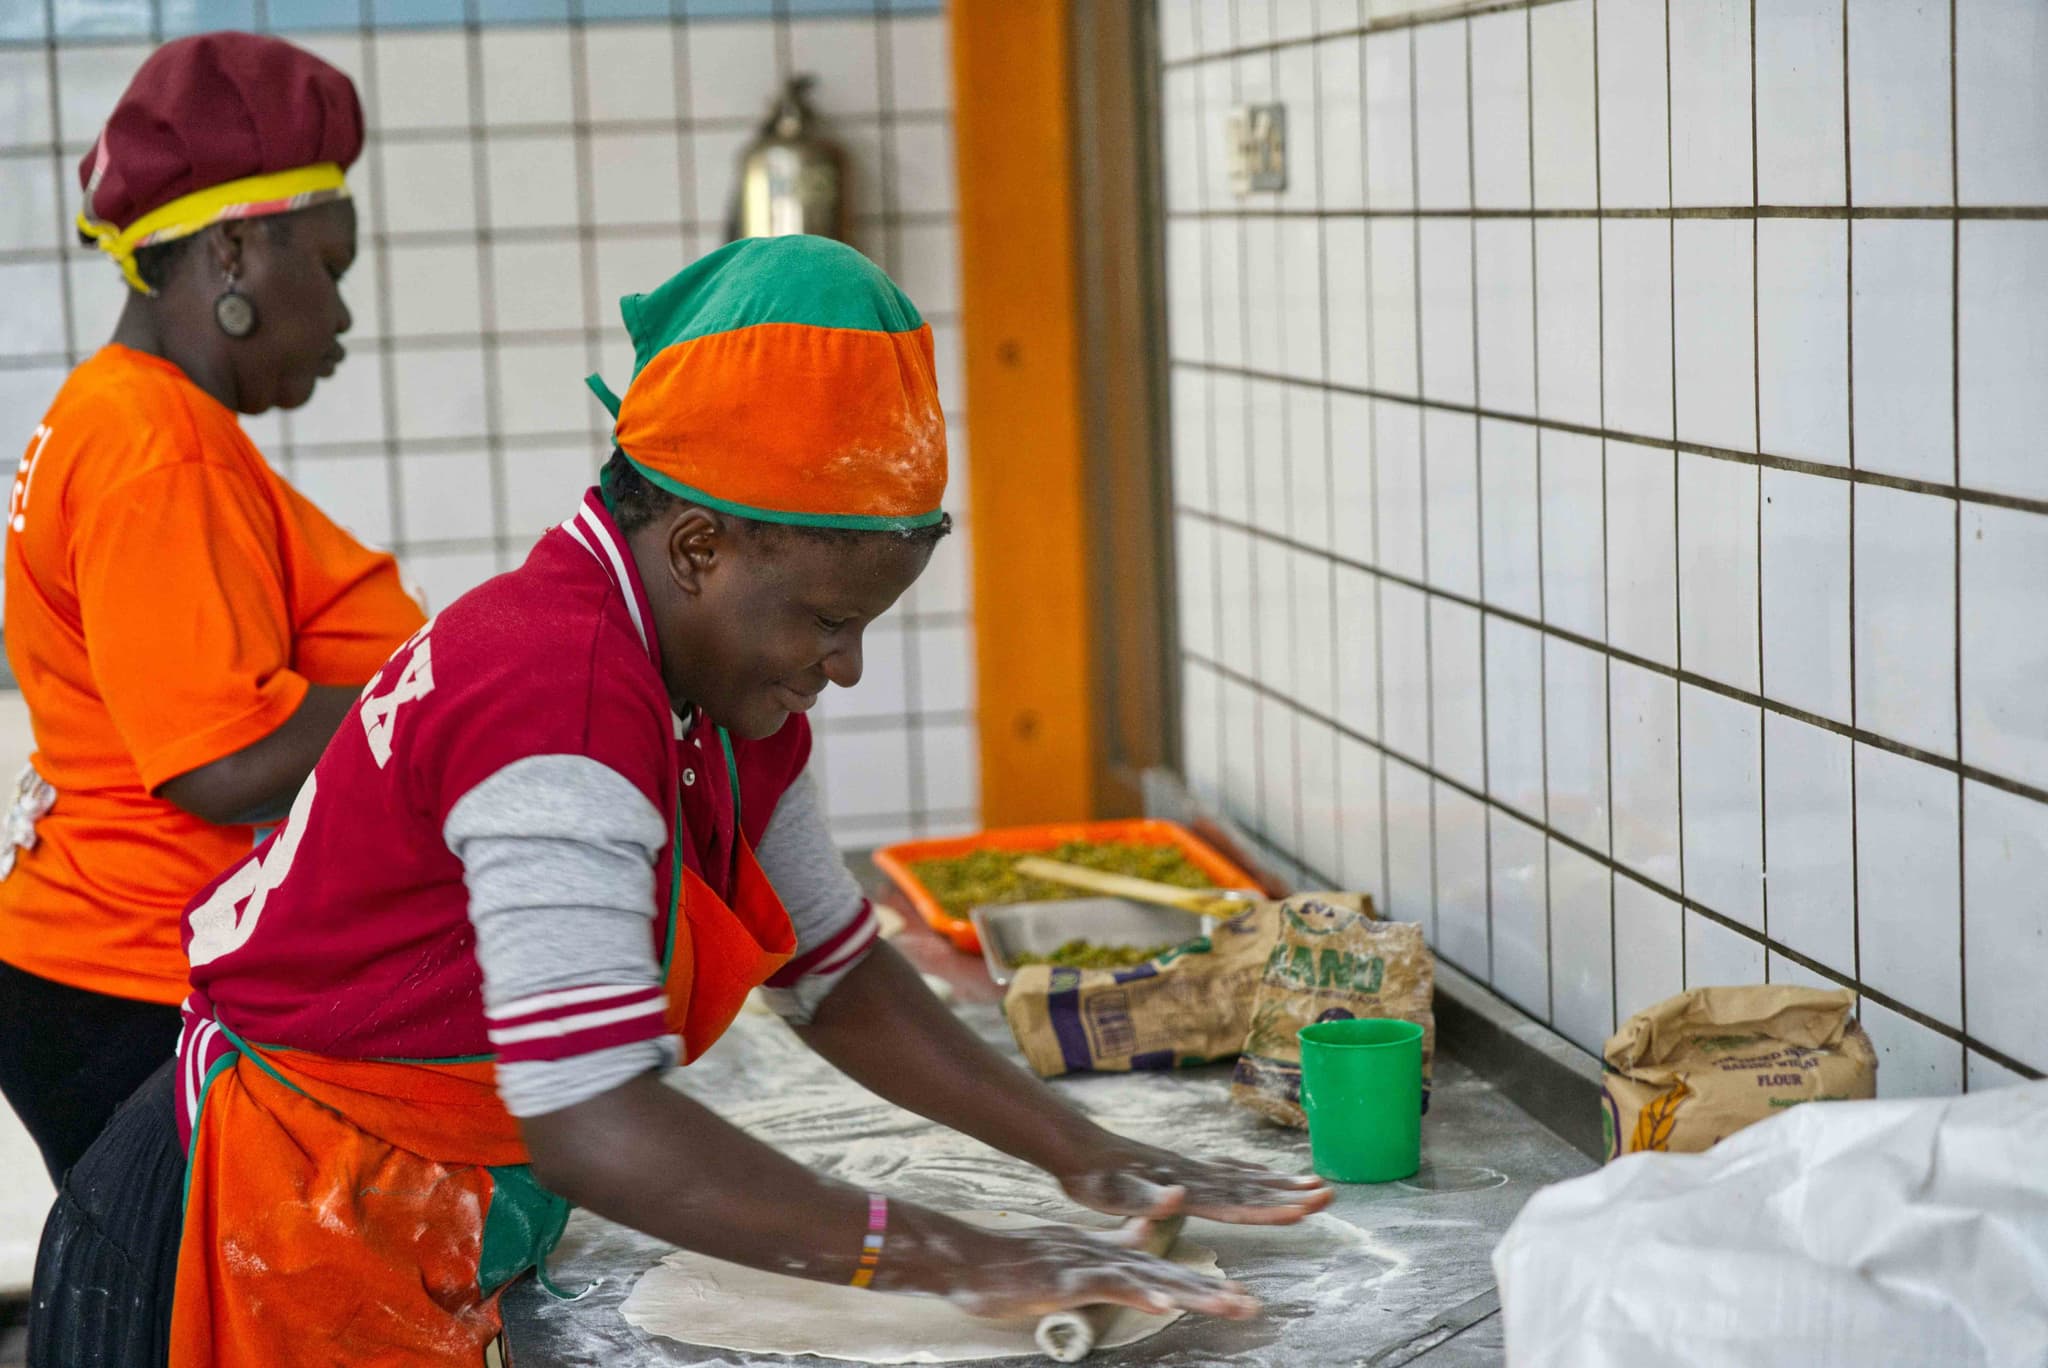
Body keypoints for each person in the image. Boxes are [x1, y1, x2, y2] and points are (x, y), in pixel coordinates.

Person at [30, 236, 1333, 1366]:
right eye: (828, 620)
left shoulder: (713, 696)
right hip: (272, 1222)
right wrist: (959, 1257)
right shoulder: (557, 700)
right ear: (702, 545)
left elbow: (838, 973)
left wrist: (1082, 1151)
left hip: (408, 1199)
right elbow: (599, 1121)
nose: (847, 665)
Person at [0, 32, 424, 1186]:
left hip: (111, 973)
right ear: (234, 248)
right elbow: (221, 761)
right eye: (330, 269)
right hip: (137, 987)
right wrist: (449, 694)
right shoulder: (154, 448)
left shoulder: (130, 418)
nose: (341, 315)